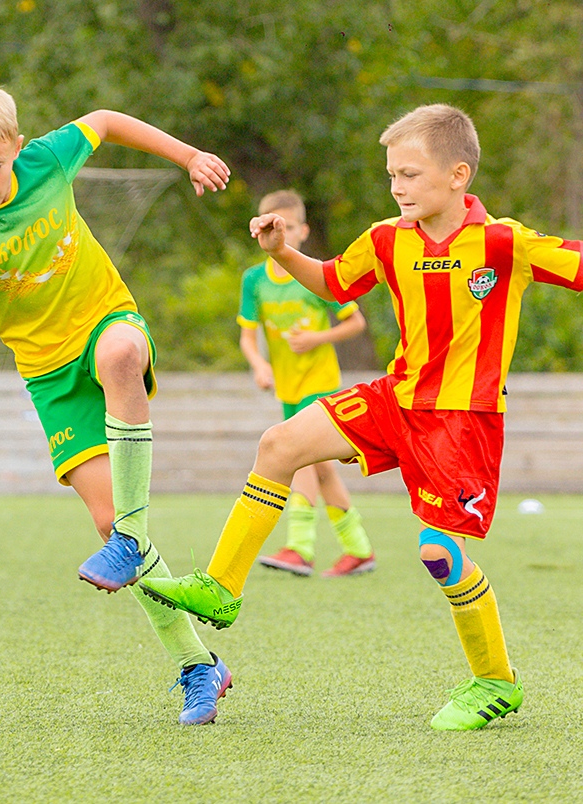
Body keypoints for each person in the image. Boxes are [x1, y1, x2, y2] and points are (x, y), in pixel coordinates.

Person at [143, 104, 583, 730]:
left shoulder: (504, 241)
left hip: (463, 420)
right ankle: (221, 586)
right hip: (394, 400)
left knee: (439, 554)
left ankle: (495, 682)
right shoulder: (385, 239)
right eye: (391, 175)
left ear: (458, 175)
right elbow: (333, 283)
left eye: (410, 174)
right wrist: (284, 253)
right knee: (280, 443)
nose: (398, 187)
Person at [0, 81, 236, 725]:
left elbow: (105, 118)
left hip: (107, 322)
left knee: (119, 357)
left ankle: (133, 542)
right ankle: (199, 666)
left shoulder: (47, 160)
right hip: (48, 378)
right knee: (110, 524)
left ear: (16, 149)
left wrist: (188, 156)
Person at [237, 190, 375, 578]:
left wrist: (315, 338)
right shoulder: (254, 280)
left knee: (299, 457)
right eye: (272, 226)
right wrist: (259, 364)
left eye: (289, 227)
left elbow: (355, 322)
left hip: (322, 384)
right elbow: (248, 336)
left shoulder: (315, 275)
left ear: (302, 231)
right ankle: (358, 549)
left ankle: (299, 547)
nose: (281, 233)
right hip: (287, 387)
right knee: (323, 469)